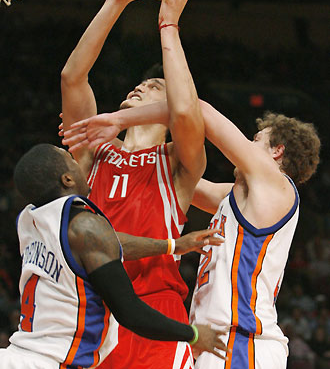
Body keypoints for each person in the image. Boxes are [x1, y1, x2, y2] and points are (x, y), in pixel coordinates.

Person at [64, 100, 321, 369]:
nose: (246, 143)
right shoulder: (236, 199)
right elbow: (168, 175)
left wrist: (118, 120)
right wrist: (107, 147)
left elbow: (198, 109)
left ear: (277, 151)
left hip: (243, 343)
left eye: (256, 140)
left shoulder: (276, 186)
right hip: (218, 343)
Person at [60, 0, 206, 369]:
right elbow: (72, 77)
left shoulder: (178, 161)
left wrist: (168, 24)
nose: (139, 87)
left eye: (154, 88)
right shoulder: (96, 147)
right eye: (138, 85)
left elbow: (185, 109)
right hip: (92, 309)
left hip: (157, 310)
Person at [0, 143, 228, 369]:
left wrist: (172, 245)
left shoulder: (29, 220)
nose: (78, 161)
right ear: (67, 180)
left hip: (19, 354)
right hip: (51, 362)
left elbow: (106, 242)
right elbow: (130, 313)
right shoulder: (85, 227)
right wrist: (194, 334)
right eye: (71, 159)